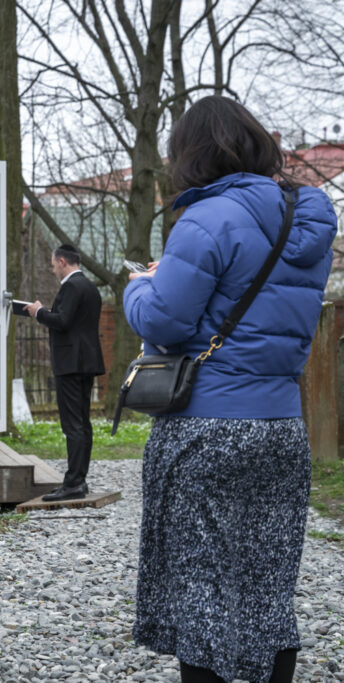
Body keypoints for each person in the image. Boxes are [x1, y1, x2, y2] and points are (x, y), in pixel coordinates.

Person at [124, 96, 335, 683]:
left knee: (202, 590)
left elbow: (165, 321)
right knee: (267, 587)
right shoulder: (308, 219)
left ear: (192, 155)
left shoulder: (207, 218)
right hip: (281, 429)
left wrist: (139, 288)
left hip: (207, 427)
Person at [25, 244, 105, 501]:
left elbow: (62, 321)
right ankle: (78, 480)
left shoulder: (71, 286)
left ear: (62, 261)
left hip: (71, 363)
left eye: (52, 265)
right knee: (83, 422)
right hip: (87, 361)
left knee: (72, 424)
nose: (52, 270)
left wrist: (39, 312)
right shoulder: (90, 286)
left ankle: (73, 483)